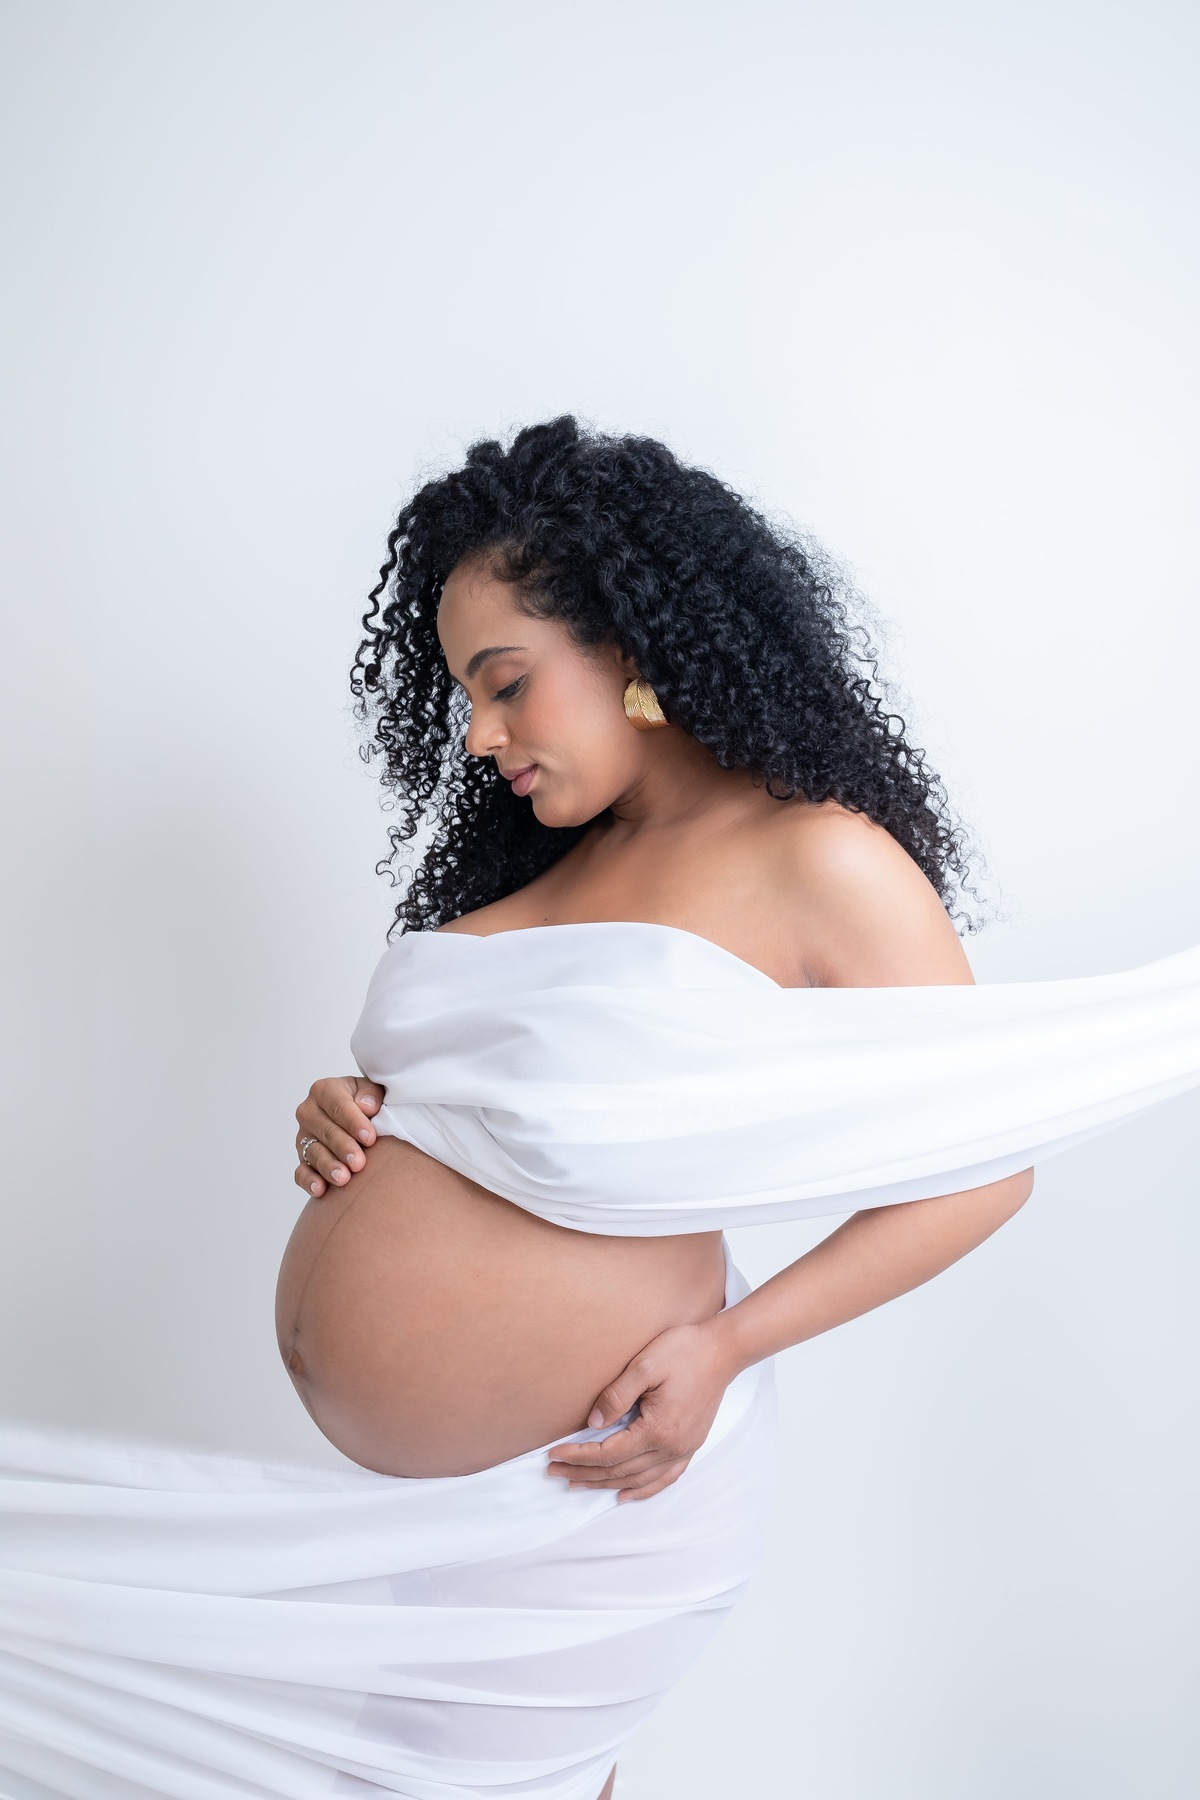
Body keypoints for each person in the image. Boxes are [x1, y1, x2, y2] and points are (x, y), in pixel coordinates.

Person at [4, 417, 1198, 1800]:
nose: (480, 734)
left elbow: (988, 1170)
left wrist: (728, 1346)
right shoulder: (554, 868)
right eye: (461, 694)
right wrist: (353, 1107)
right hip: (422, 1515)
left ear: (629, 648)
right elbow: (502, 1095)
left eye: (508, 684)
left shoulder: (822, 861)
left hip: (595, 1491)